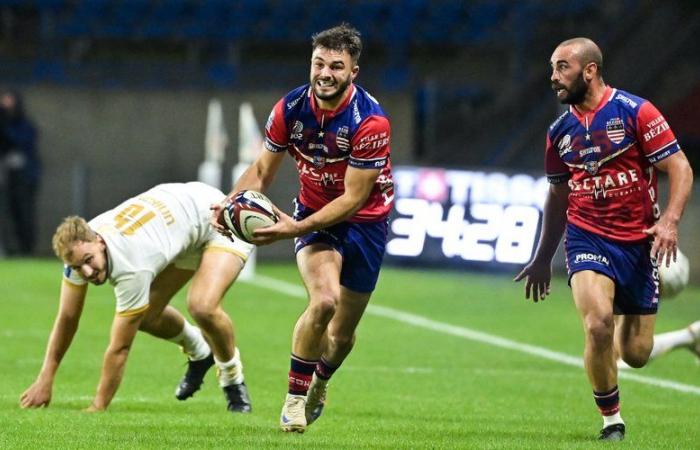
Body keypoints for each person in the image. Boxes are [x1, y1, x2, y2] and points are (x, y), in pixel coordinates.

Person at [212, 23, 394, 433]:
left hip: (365, 222)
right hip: (315, 218)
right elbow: (261, 171)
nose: (325, 73)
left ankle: (320, 382)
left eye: (336, 66)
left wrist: (293, 228)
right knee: (324, 301)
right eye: (319, 63)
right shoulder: (290, 109)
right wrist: (228, 205)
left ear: (353, 72)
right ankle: (293, 401)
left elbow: (353, 199)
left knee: (342, 337)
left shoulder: (370, 122)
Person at [514, 37, 693, 441]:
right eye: (552, 68)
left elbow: (679, 167)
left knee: (636, 354)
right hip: (587, 237)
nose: (553, 77)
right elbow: (558, 196)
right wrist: (543, 257)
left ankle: (677, 329)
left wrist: (670, 222)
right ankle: (611, 419)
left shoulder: (635, 112)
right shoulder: (559, 132)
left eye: (562, 68)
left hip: (639, 240)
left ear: (589, 70)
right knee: (597, 325)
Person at [20, 182, 254, 413]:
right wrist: (45, 378)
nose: (87, 272)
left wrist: (98, 406)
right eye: (78, 267)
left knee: (202, 306)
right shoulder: (80, 248)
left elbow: (120, 348)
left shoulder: (130, 265)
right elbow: (67, 317)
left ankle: (232, 380)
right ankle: (201, 351)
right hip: (182, 219)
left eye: (89, 261)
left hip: (216, 217)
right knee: (146, 315)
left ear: (100, 242)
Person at [0, 89, 40, 255]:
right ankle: (14, 248)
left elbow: (23, 141)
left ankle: (26, 249)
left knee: (24, 214)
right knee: (9, 214)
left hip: (24, 177)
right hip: (7, 176)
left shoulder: (24, 125)